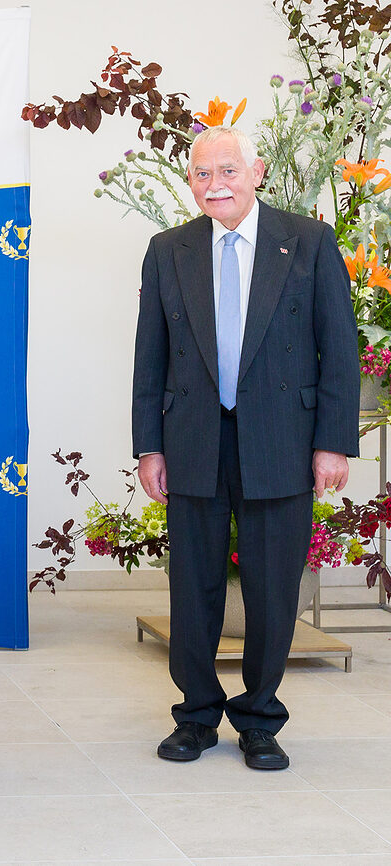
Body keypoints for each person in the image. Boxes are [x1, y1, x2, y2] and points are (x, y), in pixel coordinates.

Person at [133, 124, 357, 770]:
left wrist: (332, 444)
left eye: (227, 170)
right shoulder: (167, 250)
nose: (215, 185)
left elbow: (338, 349)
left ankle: (260, 718)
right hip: (194, 439)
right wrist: (150, 446)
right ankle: (196, 716)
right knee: (193, 588)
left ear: (256, 171)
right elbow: (150, 357)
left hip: (282, 440)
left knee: (271, 589)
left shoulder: (309, 243)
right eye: (201, 174)